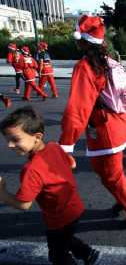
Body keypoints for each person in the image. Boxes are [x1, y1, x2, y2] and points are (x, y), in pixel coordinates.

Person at [59, 15, 126, 229]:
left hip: (104, 128)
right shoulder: (110, 61)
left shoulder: (86, 67)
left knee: (111, 175)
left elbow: (78, 108)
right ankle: (122, 200)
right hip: (118, 123)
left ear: (82, 40)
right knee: (105, 171)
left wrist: (66, 145)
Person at [0, 106, 99, 265]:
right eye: (7, 140)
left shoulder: (31, 169)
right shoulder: (53, 146)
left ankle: (86, 253)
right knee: (65, 238)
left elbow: (24, 204)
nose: (10, 145)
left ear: (37, 137)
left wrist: (2, 193)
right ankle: (88, 253)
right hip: (75, 207)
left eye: (15, 140)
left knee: (58, 255)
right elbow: (71, 164)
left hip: (58, 217)